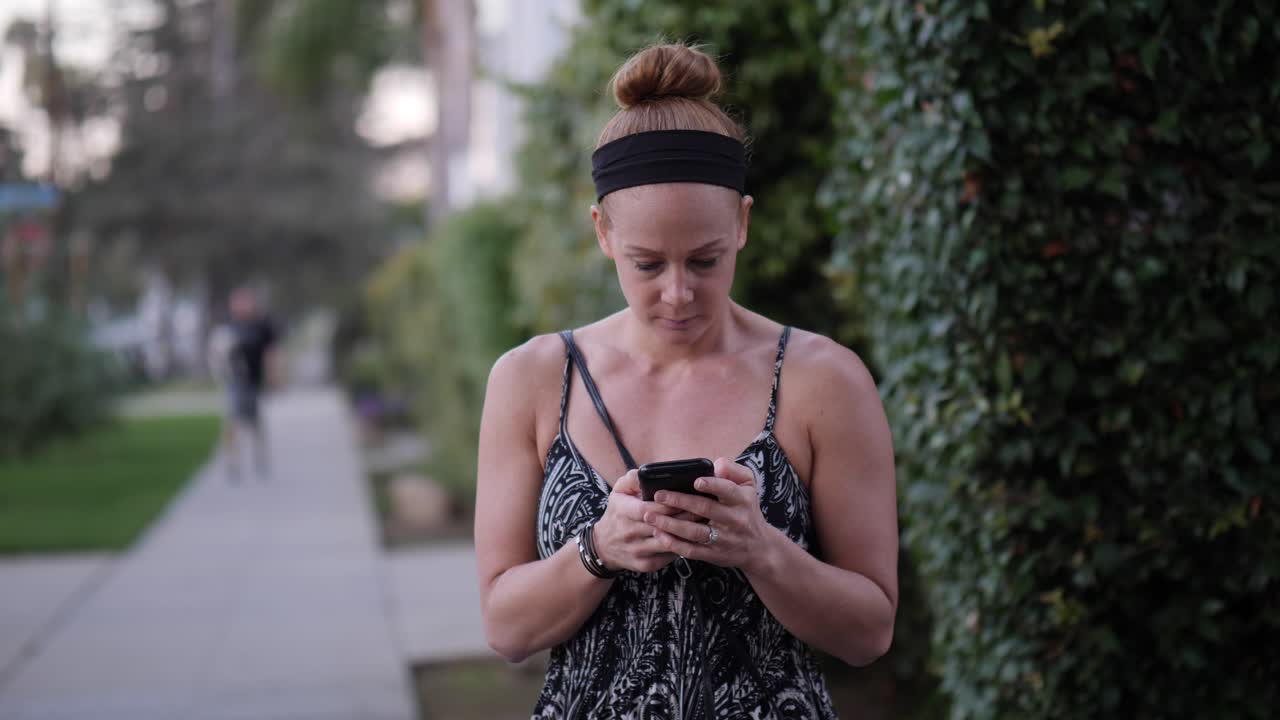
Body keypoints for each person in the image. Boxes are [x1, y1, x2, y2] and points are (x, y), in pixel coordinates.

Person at [475, 43, 898, 718]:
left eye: (705, 260)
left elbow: (870, 632)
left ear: (743, 223)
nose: (678, 294)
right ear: (602, 233)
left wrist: (761, 550)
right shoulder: (533, 380)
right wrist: (599, 549)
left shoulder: (822, 380)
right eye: (647, 264)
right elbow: (506, 628)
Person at [210, 286, 278, 481]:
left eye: (245, 301)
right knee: (232, 421)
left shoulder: (262, 325)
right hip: (234, 380)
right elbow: (217, 353)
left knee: (256, 422)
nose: (242, 305)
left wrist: (274, 377)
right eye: (238, 302)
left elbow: (271, 352)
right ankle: (232, 462)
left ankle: (260, 458)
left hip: (255, 381)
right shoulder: (227, 327)